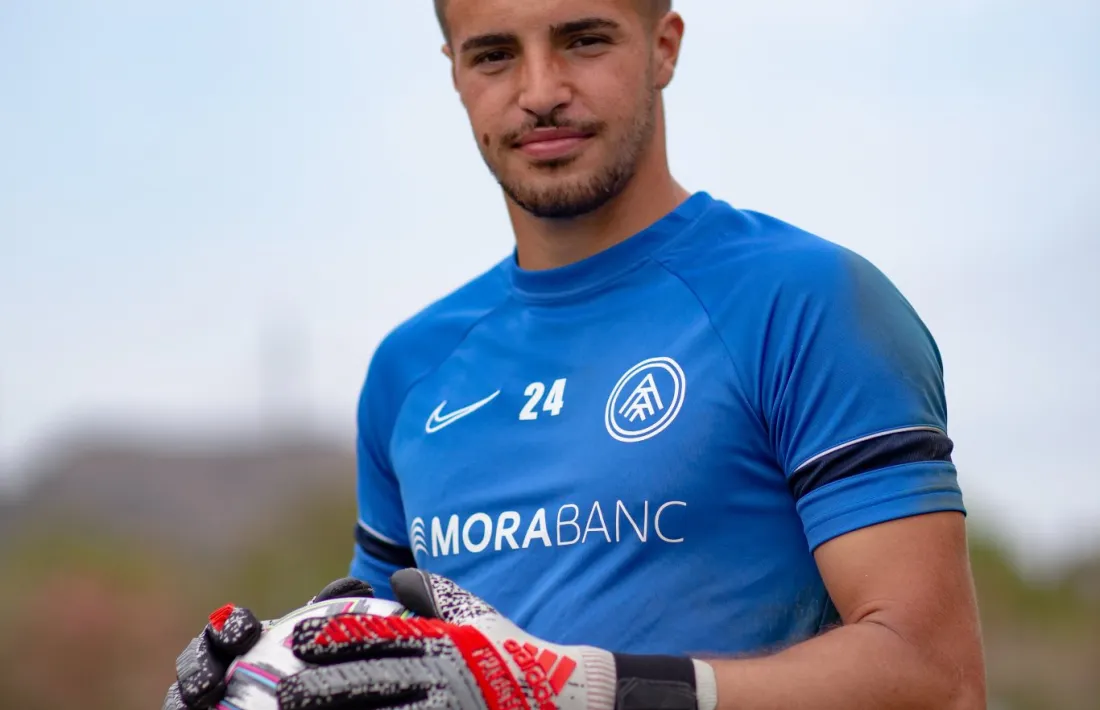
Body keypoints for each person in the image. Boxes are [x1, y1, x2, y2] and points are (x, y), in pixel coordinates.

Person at [166, 1, 987, 708]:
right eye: (494, 54)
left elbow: (936, 678)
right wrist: (269, 677)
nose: (540, 91)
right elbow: (386, 666)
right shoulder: (410, 370)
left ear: (664, 45)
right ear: (453, 70)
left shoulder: (807, 301)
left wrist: (590, 691)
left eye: (584, 39)